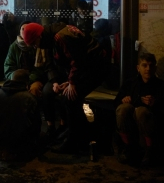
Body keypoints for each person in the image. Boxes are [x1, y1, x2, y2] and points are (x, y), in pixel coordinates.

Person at [21, 22, 109, 153]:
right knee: (57, 95)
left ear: (38, 37)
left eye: (34, 43)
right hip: (83, 69)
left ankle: (76, 140)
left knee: (70, 98)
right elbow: (52, 63)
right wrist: (59, 81)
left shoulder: (60, 37)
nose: (35, 47)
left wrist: (72, 82)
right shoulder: (49, 36)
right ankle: (66, 133)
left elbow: (78, 60)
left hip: (96, 68)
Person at [113, 53, 164, 167]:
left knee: (141, 111)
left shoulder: (163, 87)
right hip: (131, 127)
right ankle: (127, 147)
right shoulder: (130, 84)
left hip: (151, 129)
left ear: (155, 68)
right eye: (144, 65)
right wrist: (123, 100)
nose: (148, 69)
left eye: (151, 65)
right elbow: (116, 103)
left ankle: (150, 151)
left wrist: (155, 103)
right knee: (123, 108)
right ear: (138, 68)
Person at [0, 69, 43, 161]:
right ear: (27, 83)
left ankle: (1, 149)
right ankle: (15, 152)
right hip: (18, 143)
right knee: (44, 137)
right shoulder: (30, 99)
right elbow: (36, 126)